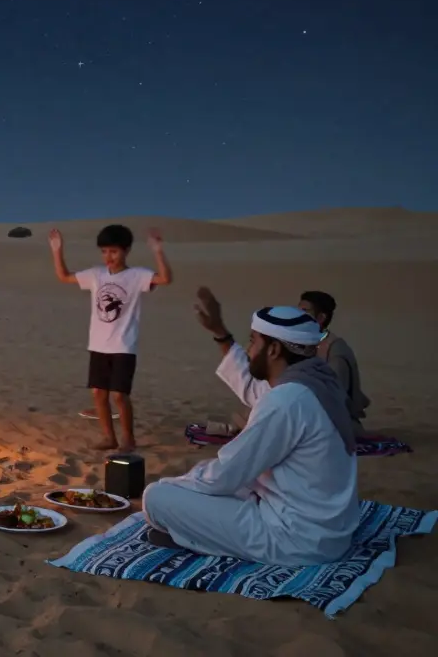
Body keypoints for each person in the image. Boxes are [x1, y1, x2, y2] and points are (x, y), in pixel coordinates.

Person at [141, 289, 359, 565]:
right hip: (330, 534)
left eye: (253, 341)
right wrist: (219, 331)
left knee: (157, 498)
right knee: (230, 488)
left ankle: (194, 538)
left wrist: (174, 484)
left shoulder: (287, 400)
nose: (248, 349)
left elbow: (224, 476)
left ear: (274, 349)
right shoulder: (316, 384)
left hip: (294, 539)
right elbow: (254, 388)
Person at [49, 225, 172, 450]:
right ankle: (109, 437)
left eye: (113, 251)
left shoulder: (137, 276)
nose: (109, 257)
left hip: (124, 345)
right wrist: (57, 249)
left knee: (119, 395)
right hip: (98, 344)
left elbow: (165, 278)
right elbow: (63, 276)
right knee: (98, 393)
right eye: (104, 251)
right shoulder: (96, 274)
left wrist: (157, 250)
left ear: (126, 251)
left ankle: (128, 438)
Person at [299, 290, 371, 434]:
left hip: (337, 424)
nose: (298, 316)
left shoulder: (335, 349)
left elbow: (335, 394)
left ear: (320, 318)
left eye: (304, 311)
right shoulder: (301, 344)